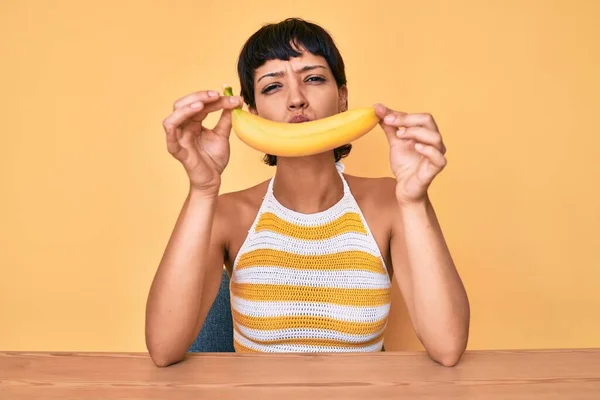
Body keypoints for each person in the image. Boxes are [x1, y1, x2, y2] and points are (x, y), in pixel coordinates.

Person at [145, 17, 470, 367]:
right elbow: (164, 350)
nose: (296, 99)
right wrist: (202, 189)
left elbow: (447, 347)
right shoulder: (227, 213)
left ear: (342, 98)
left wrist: (415, 200)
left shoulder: (392, 202)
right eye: (272, 87)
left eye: (313, 79)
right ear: (251, 112)